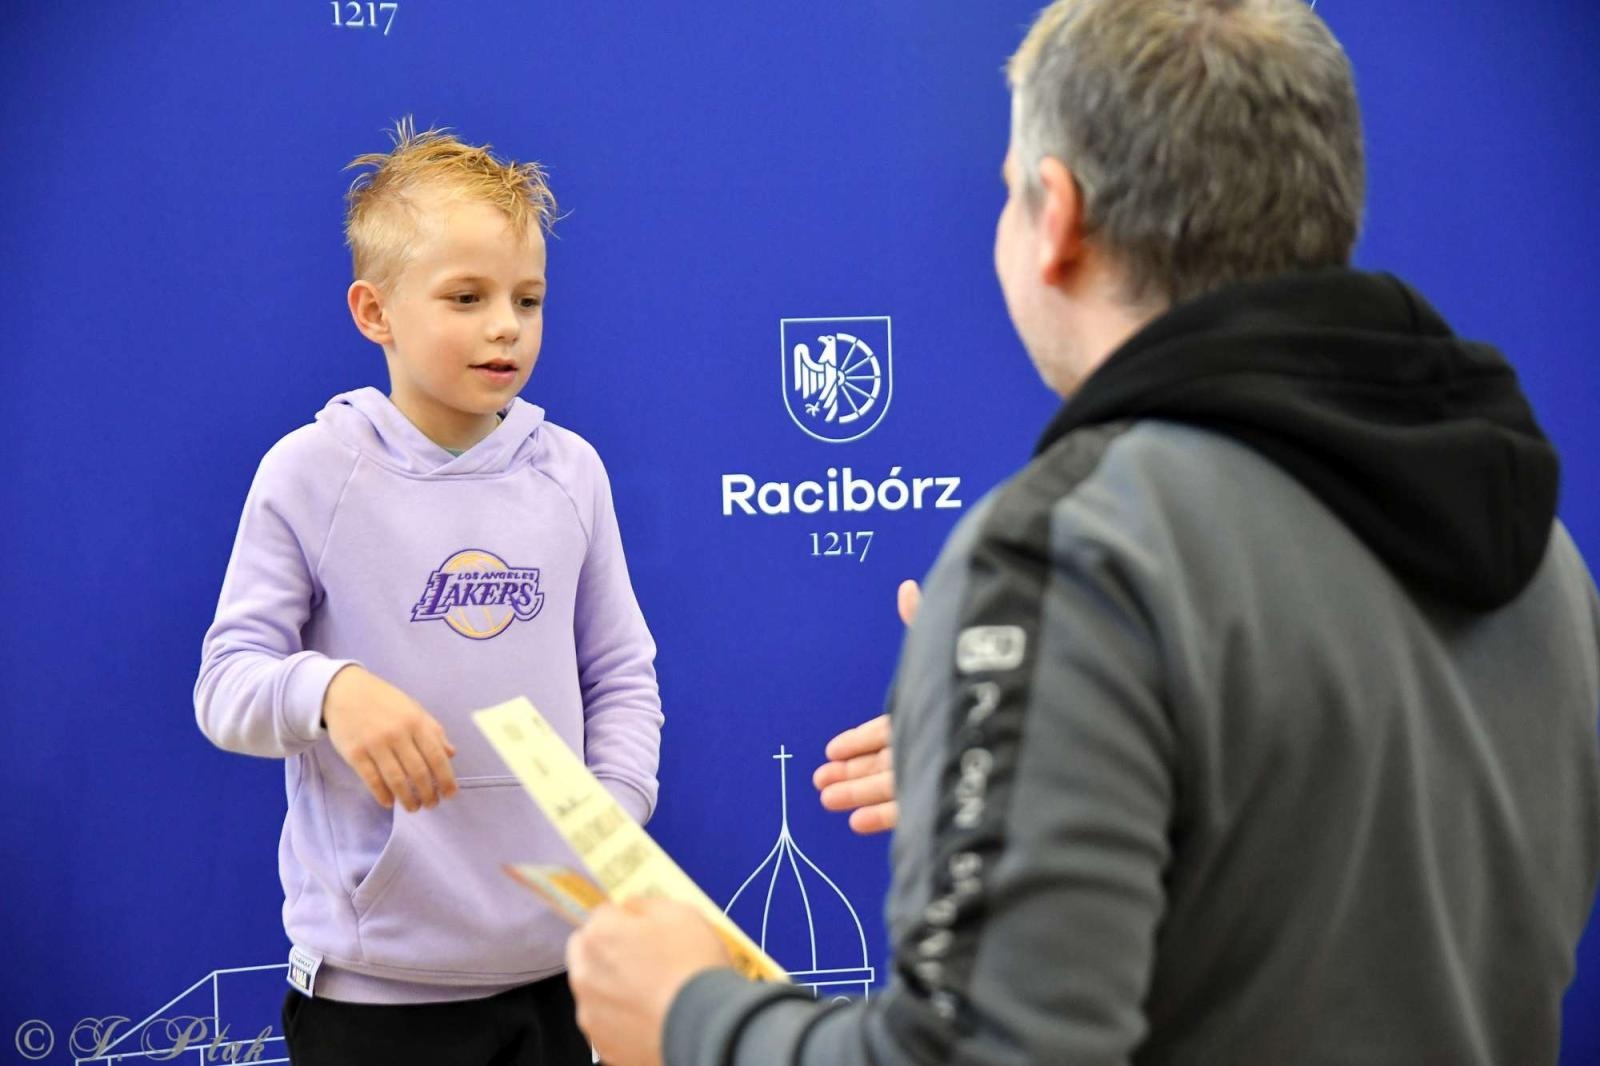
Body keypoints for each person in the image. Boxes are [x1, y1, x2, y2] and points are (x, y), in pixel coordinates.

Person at [563, 1, 1600, 1063]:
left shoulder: (1068, 557)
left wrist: (693, 1013)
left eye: (1009, 193)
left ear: (1055, 214)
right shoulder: (1540, 559)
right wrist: (1028, 768)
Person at [194, 120, 663, 1065]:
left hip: (563, 972)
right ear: (375, 313)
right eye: (467, 296)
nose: (506, 326)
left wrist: (610, 812)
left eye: (528, 299)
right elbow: (226, 685)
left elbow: (620, 673)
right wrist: (330, 690)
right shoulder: (312, 472)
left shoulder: (571, 472)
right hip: (377, 998)